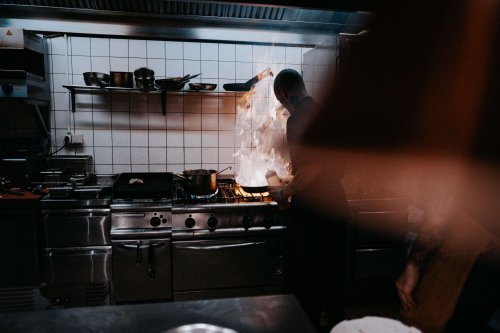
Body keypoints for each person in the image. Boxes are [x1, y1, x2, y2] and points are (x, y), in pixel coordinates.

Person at [270, 68, 350, 332]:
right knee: (333, 280)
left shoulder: (296, 120)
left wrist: (285, 192)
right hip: (337, 204)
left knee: (305, 283)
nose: (284, 107)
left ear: (284, 93)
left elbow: (312, 168)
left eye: (281, 100)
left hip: (313, 211)